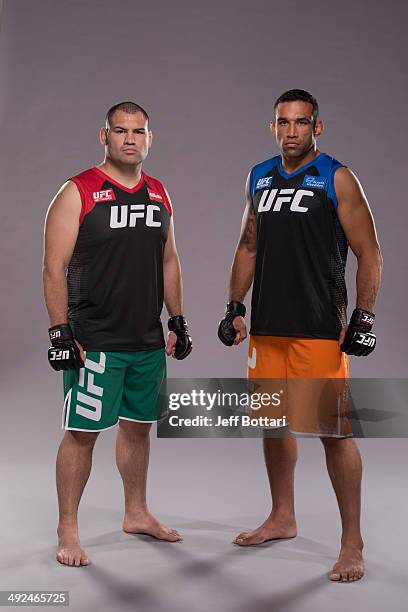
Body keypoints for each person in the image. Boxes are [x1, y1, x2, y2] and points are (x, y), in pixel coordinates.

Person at [218, 89, 382, 582]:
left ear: (318, 127)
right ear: (273, 127)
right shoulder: (258, 176)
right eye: (283, 123)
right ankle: (282, 517)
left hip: (318, 328)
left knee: (334, 433)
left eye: (301, 122)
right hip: (268, 326)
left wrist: (365, 316)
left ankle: (351, 542)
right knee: (274, 424)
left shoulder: (337, 177)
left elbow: (369, 253)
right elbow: (248, 244)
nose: (291, 131)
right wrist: (234, 306)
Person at [43, 101, 192, 567]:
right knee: (82, 434)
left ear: (150, 138)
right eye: (121, 130)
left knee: (138, 428)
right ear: (103, 135)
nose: (130, 138)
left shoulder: (160, 194)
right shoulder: (78, 191)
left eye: (139, 131)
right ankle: (68, 528)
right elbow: (53, 267)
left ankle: (137, 512)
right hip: (96, 342)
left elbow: (169, 260)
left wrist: (177, 319)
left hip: (146, 339)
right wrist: (60, 333)